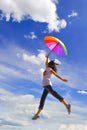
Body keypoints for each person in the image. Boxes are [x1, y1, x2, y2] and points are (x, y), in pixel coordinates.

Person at [32, 54, 71, 120]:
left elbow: (56, 75)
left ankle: (67, 105)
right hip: (45, 86)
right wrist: (47, 58)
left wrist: (62, 79)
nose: (53, 65)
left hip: (47, 85)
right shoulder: (47, 68)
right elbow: (46, 63)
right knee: (42, 99)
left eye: (53, 64)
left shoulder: (49, 69)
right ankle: (37, 114)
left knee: (54, 94)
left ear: (51, 65)